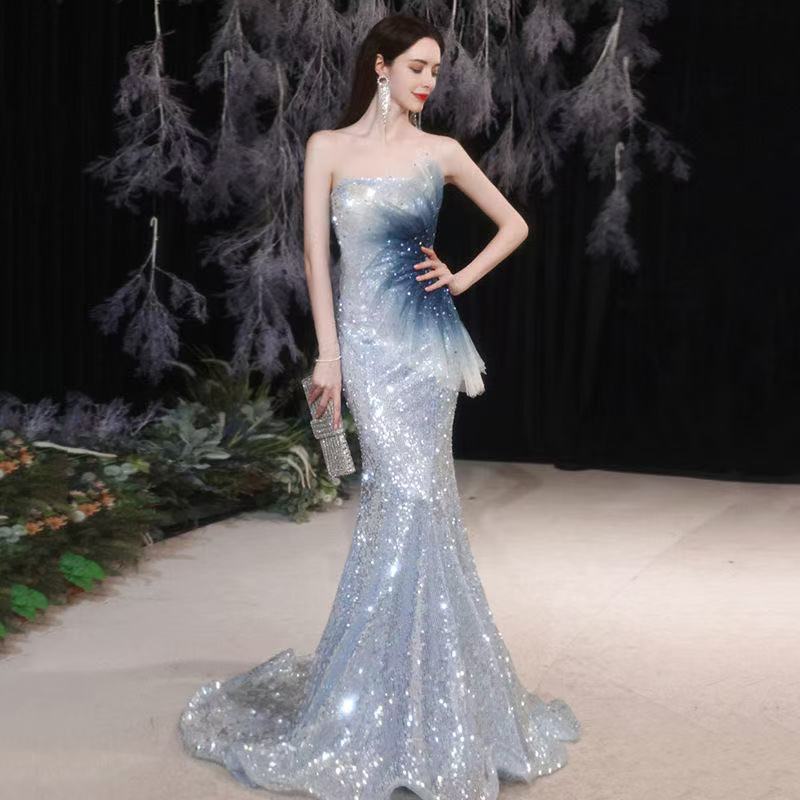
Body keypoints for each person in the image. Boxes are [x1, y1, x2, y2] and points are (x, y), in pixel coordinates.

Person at [179, 14, 580, 799]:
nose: (429, 81)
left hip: (425, 350)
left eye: (436, 70)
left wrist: (459, 277)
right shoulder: (327, 147)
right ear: (382, 66)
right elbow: (315, 257)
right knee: (398, 500)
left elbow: (516, 224)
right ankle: (385, 686)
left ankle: (425, 688)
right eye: (418, 67)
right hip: (364, 349)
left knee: (422, 501)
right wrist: (327, 354)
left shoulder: (442, 152)